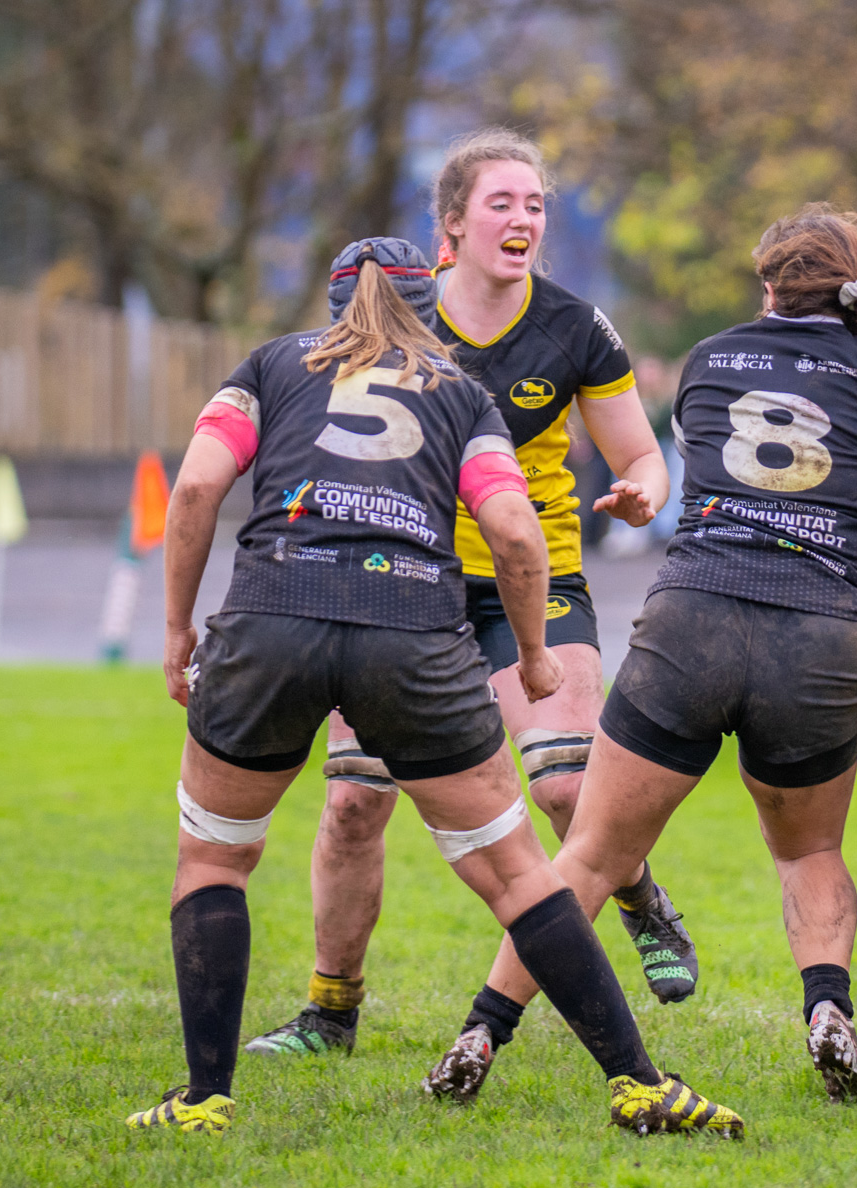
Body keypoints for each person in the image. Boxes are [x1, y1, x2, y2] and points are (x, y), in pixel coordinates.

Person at [429, 203, 857, 1106]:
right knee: (808, 852)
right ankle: (826, 1007)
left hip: (691, 619)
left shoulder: (707, 361)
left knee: (591, 855)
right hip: (817, 636)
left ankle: (481, 1032)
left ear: (768, 285)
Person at [128, 237, 741, 1138]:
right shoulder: (462, 392)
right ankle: (642, 1085)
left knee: (216, 859)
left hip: (271, 620)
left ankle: (204, 1101)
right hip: (411, 634)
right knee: (516, 876)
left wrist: (180, 628)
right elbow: (517, 537)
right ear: (428, 302)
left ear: (338, 302)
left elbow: (196, 492)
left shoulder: (268, 365)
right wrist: (533, 655)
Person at [244, 129, 693, 1069]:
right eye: (503, 203)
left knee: (570, 786)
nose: (524, 219)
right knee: (356, 805)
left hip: (534, 582)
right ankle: (331, 1010)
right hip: (399, 585)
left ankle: (641, 894)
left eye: (535, 205)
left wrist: (646, 484)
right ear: (451, 226)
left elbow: (638, 449)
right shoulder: (393, 324)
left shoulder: (576, 327)